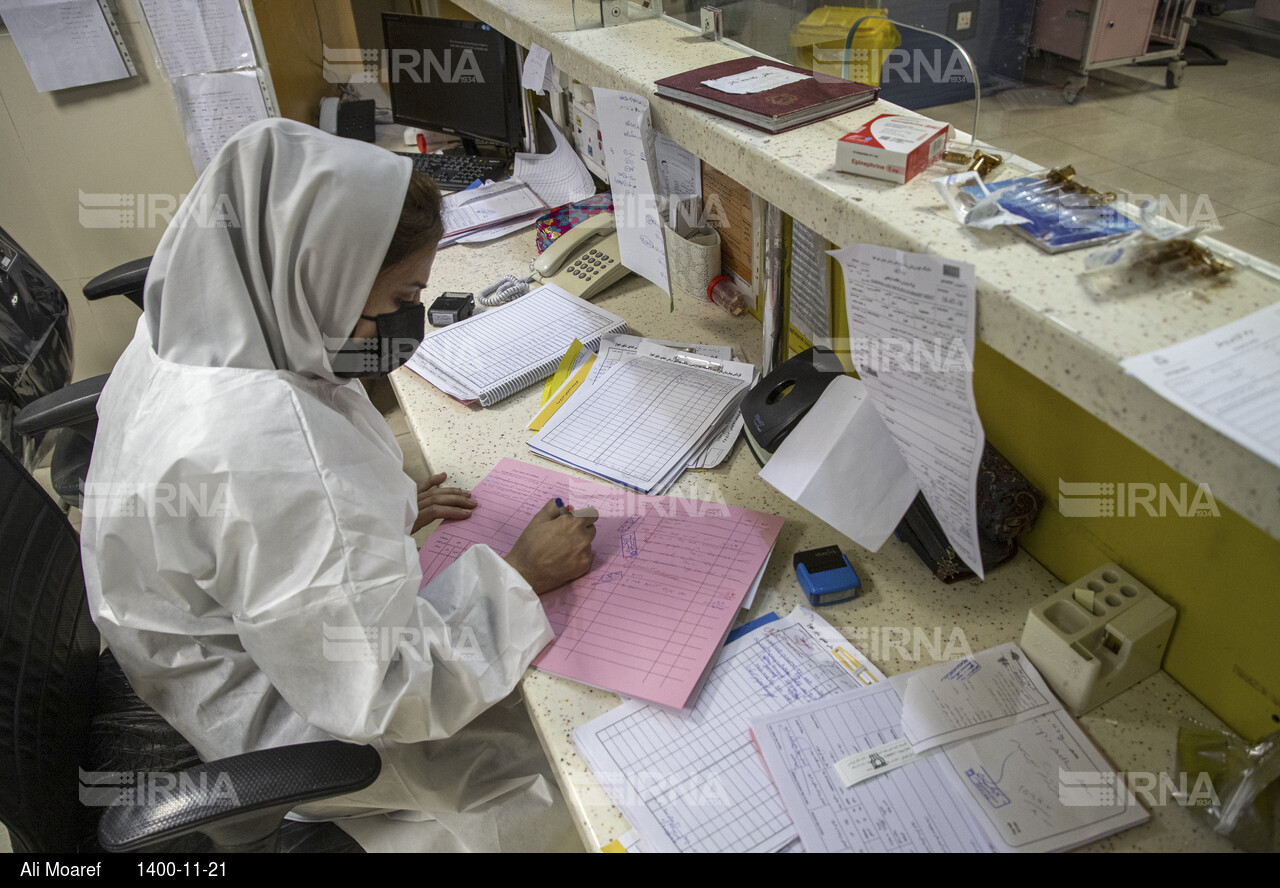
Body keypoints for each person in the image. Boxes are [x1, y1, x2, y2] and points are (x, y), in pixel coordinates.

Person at [80, 119, 596, 852]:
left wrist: (371, 514)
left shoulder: (196, 317)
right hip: (294, 729)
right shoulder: (270, 448)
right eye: (402, 295)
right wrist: (519, 577)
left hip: (204, 644)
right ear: (321, 277)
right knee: (564, 753)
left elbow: (253, 524)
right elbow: (384, 695)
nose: (409, 315)